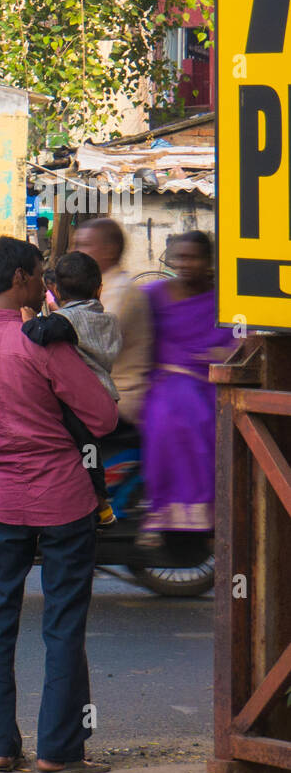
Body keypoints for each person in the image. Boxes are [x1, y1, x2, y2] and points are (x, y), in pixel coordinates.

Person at [0, 237, 118, 773]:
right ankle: (58, 751)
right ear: (22, 278)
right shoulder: (42, 343)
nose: (45, 281)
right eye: (39, 273)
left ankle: (1, 748)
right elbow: (101, 419)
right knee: (63, 623)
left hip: (1, 500)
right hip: (63, 498)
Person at [138, 231, 232, 544]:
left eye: (194, 257)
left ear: (208, 262)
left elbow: (237, 342)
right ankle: (164, 508)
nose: (186, 264)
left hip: (211, 380)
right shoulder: (152, 295)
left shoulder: (222, 298)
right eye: (180, 257)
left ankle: (209, 513)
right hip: (166, 380)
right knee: (171, 414)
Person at [21, 251, 123, 527]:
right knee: (91, 454)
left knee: (84, 454)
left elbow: (40, 333)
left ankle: (98, 506)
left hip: (80, 403)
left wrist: (29, 319)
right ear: (99, 289)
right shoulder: (107, 318)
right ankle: (100, 504)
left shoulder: (68, 321)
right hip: (103, 395)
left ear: (54, 290)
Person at [72, 218, 152, 428]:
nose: (76, 252)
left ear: (109, 250)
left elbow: (88, 342)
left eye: (84, 245)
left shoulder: (121, 292)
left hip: (119, 400)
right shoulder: (100, 288)